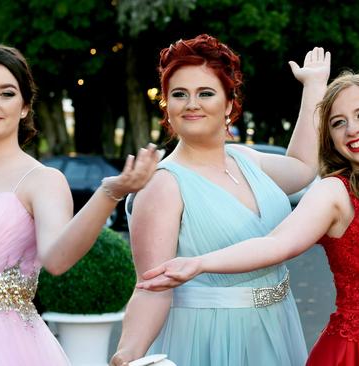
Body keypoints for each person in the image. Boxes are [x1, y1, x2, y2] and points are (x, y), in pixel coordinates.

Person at [137, 1, 359, 365]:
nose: (352, 128)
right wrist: (199, 264)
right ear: (332, 139)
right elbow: (276, 244)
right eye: (338, 122)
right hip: (358, 355)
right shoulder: (335, 193)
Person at [0, 45, 159, 366]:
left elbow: (57, 259)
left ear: (24, 106)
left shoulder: (42, 180)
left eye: (6, 94)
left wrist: (109, 193)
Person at [110, 34, 330, 366]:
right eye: (179, 94)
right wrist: (127, 355)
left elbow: (302, 167)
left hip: (277, 325)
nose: (192, 104)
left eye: (205, 93)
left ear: (228, 104)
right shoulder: (163, 184)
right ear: (167, 105)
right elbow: (151, 287)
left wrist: (313, 87)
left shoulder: (245, 159)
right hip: (209, 336)